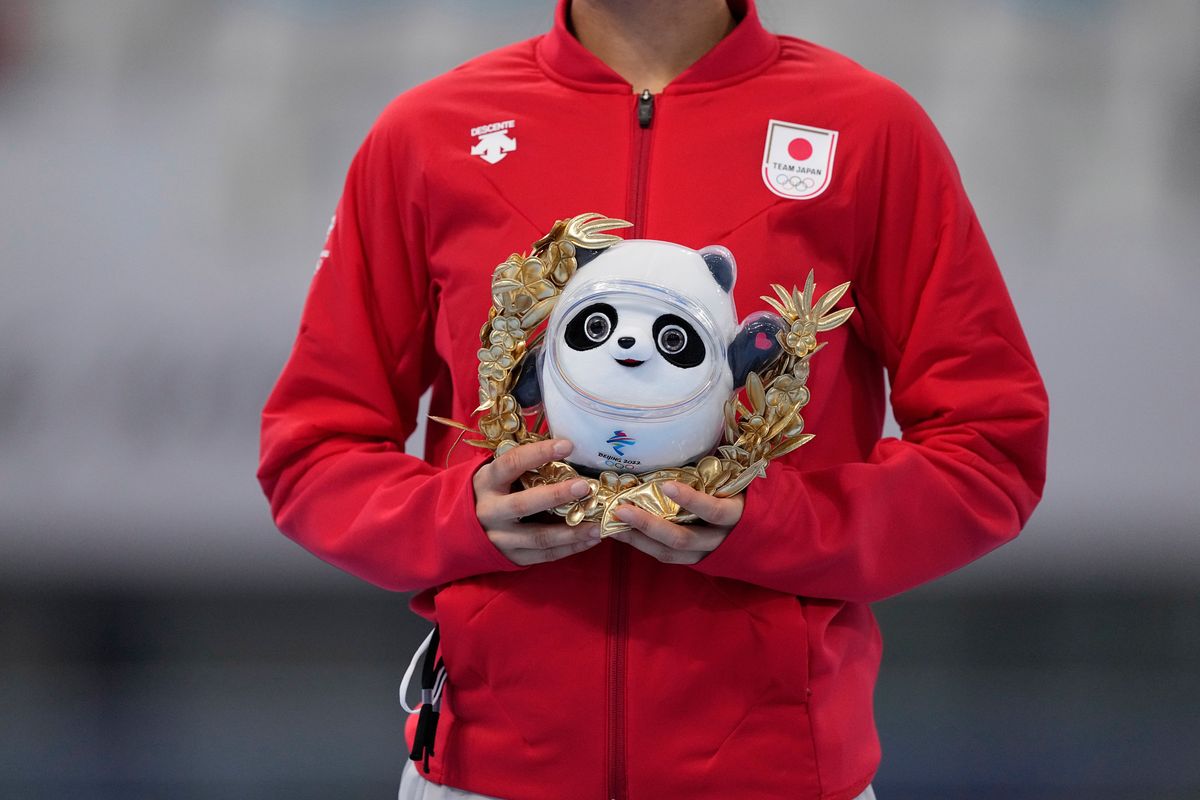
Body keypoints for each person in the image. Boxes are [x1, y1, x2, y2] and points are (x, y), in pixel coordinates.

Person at [257, 0, 1049, 798]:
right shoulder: (430, 133)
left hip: (778, 776)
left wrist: (775, 524)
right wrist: (460, 516)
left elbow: (992, 452)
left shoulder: (869, 131)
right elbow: (311, 452)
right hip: (488, 773)